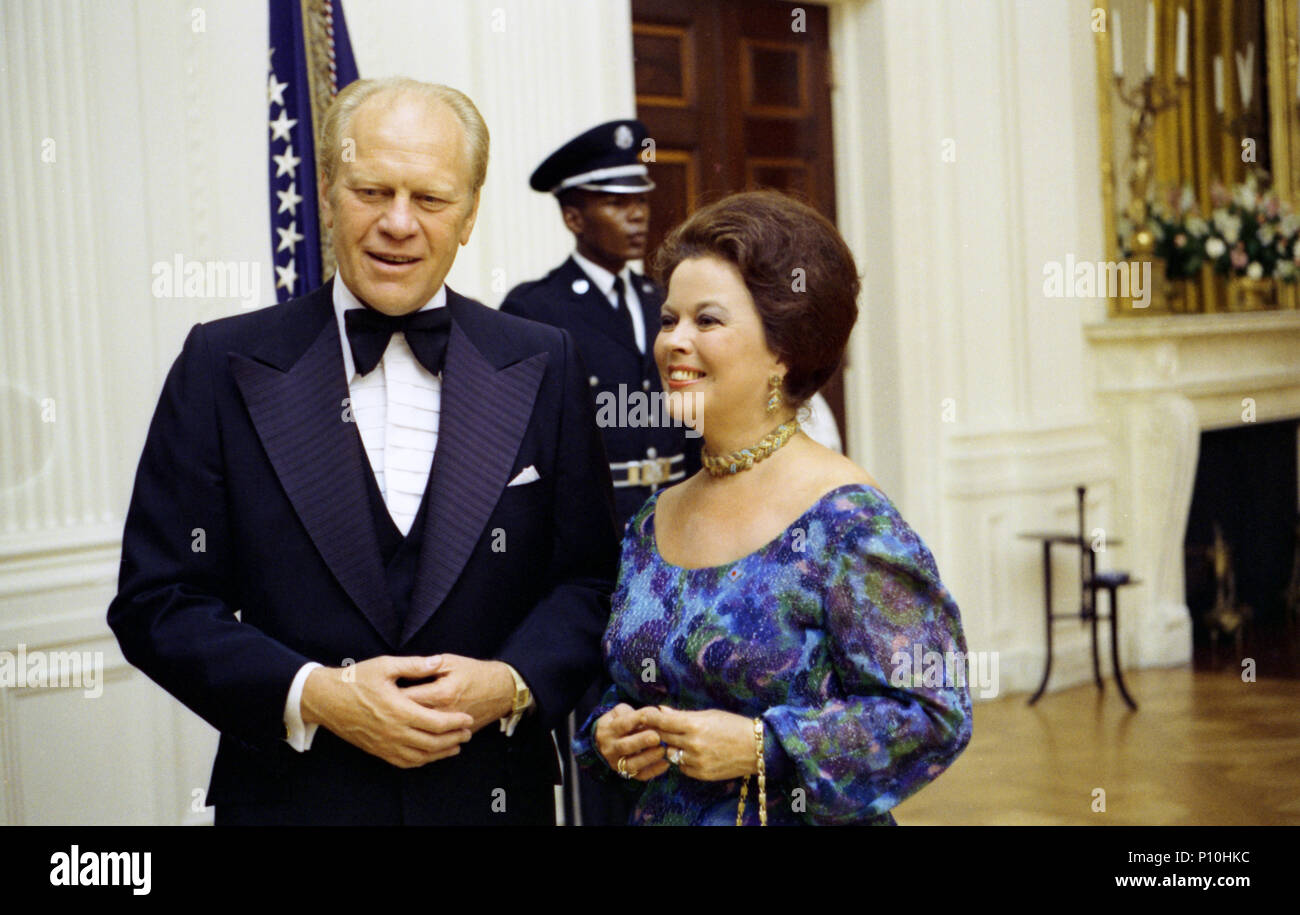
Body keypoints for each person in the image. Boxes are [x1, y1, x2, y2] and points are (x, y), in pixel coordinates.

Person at [107, 77, 619, 825]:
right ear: (326, 191)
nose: (398, 223)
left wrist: (510, 682)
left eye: (431, 199)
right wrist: (314, 693)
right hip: (290, 804)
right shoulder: (219, 362)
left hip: (492, 800)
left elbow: (588, 579)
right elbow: (158, 601)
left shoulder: (547, 359)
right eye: (372, 190)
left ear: (471, 214)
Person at [572, 190, 973, 825]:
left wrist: (765, 745)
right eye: (668, 319)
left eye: (706, 321)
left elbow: (935, 711)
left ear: (783, 348)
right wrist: (608, 734)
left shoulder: (847, 522)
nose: (674, 341)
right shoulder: (652, 520)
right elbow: (636, 684)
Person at [500, 120, 698, 825]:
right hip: (594, 557)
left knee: (677, 728)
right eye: (616, 201)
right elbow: (520, 454)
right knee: (605, 737)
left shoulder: (664, 305)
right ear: (573, 214)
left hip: (679, 544)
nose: (637, 213)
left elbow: (694, 425)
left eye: (641, 198)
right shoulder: (535, 311)